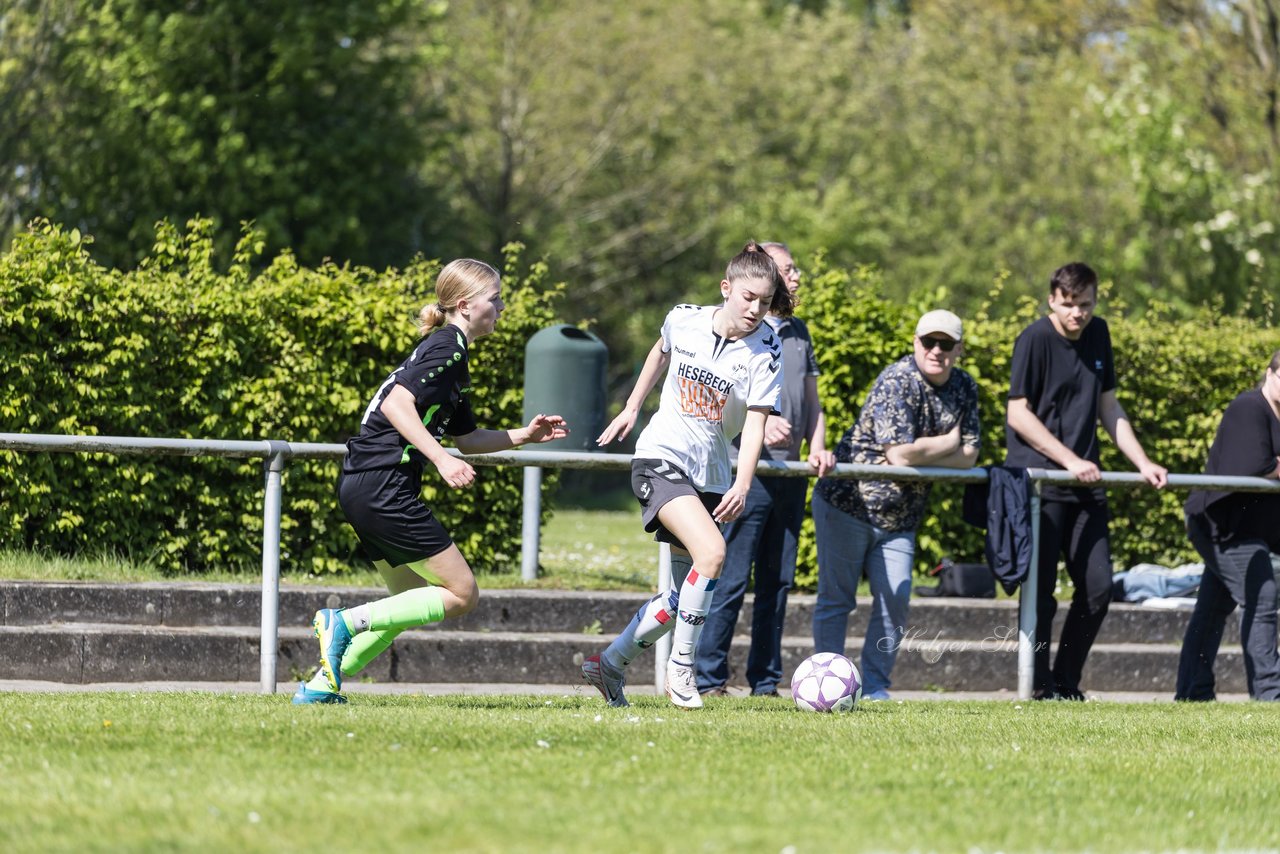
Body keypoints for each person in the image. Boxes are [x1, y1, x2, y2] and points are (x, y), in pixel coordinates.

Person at [293, 258, 569, 704]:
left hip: (364, 485)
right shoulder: (448, 349)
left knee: (403, 606)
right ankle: (341, 622)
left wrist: (525, 435)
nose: (501, 307)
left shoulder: (450, 353)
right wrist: (441, 460)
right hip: (384, 486)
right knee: (462, 593)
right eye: (494, 300)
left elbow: (469, 438)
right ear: (465, 304)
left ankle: (321, 686)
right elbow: (397, 406)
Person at [583, 241, 791, 709]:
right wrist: (632, 408)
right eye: (747, 297)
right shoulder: (684, 317)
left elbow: (756, 421)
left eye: (764, 300)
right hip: (659, 457)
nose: (756, 308)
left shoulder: (768, 349)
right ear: (726, 289)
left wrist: (741, 482)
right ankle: (682, 670)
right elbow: (660, 350)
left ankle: (609, 665)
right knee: (713, 553)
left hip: (712, 474)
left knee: (681, 597)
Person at [1004, 262, 1167, 701]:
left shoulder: (1099, 334)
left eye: (1086, 305)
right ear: (1052, 299)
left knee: (1097, 588)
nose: (1078, 314)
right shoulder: (1034, 339)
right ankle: (1037, 686)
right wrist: (1069, 460)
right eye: (1069, 304)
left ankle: (1065, 681)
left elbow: (1108, 408)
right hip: (1040, 484)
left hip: (1084, 484)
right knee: (1039, 596)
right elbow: (1017, 413)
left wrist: (1142, 462)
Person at [811, 309, 981, 701]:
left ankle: (874, 687)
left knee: (896, 599)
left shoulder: (965, 387)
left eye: (946, 344)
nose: (936, 351)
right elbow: (900, 455)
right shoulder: (896, 379)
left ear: (960, 349)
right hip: (847, 504)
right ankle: (826, 686)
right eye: (929, 342)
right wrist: (946, 444)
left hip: (901, 517)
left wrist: (923, 451)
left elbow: (969, 457)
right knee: (837, 599)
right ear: (915, 343)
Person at [695, 242, 835, 698]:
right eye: (788, 270)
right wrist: (761, 416)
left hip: (790, 475)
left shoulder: (798, 331)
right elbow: (716, 393)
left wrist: (818, 446)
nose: (795, 278)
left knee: (777, 581)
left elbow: (813, 401)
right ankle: (710, 677)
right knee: (730, 579)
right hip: (746, 476)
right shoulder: (738, 331)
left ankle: (765, 681)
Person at [1176, 350, 1280, 702]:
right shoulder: (1249, 407)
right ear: (1270, 373)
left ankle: (1193, 691)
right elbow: (1251, 464)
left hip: (1250, 530)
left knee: (1213, 607)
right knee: (1262, 595)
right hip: (1220, 525)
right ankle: (1270, 693)